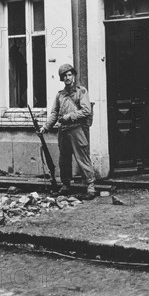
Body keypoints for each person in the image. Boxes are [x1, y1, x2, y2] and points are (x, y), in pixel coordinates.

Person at [39, 63, 96, 200]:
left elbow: (86, 111)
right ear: (62, 79)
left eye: (69, 74)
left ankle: (91, 187)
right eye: (64, 76)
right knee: (64, 160)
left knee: (82, 158)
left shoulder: (81, 92)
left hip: (77, 129)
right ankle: (65, 185)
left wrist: (69, 116)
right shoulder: (60, 95)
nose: (67, 78)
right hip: (63, 131)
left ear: (74, 76)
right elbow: (54, 113)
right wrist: (45, 127)